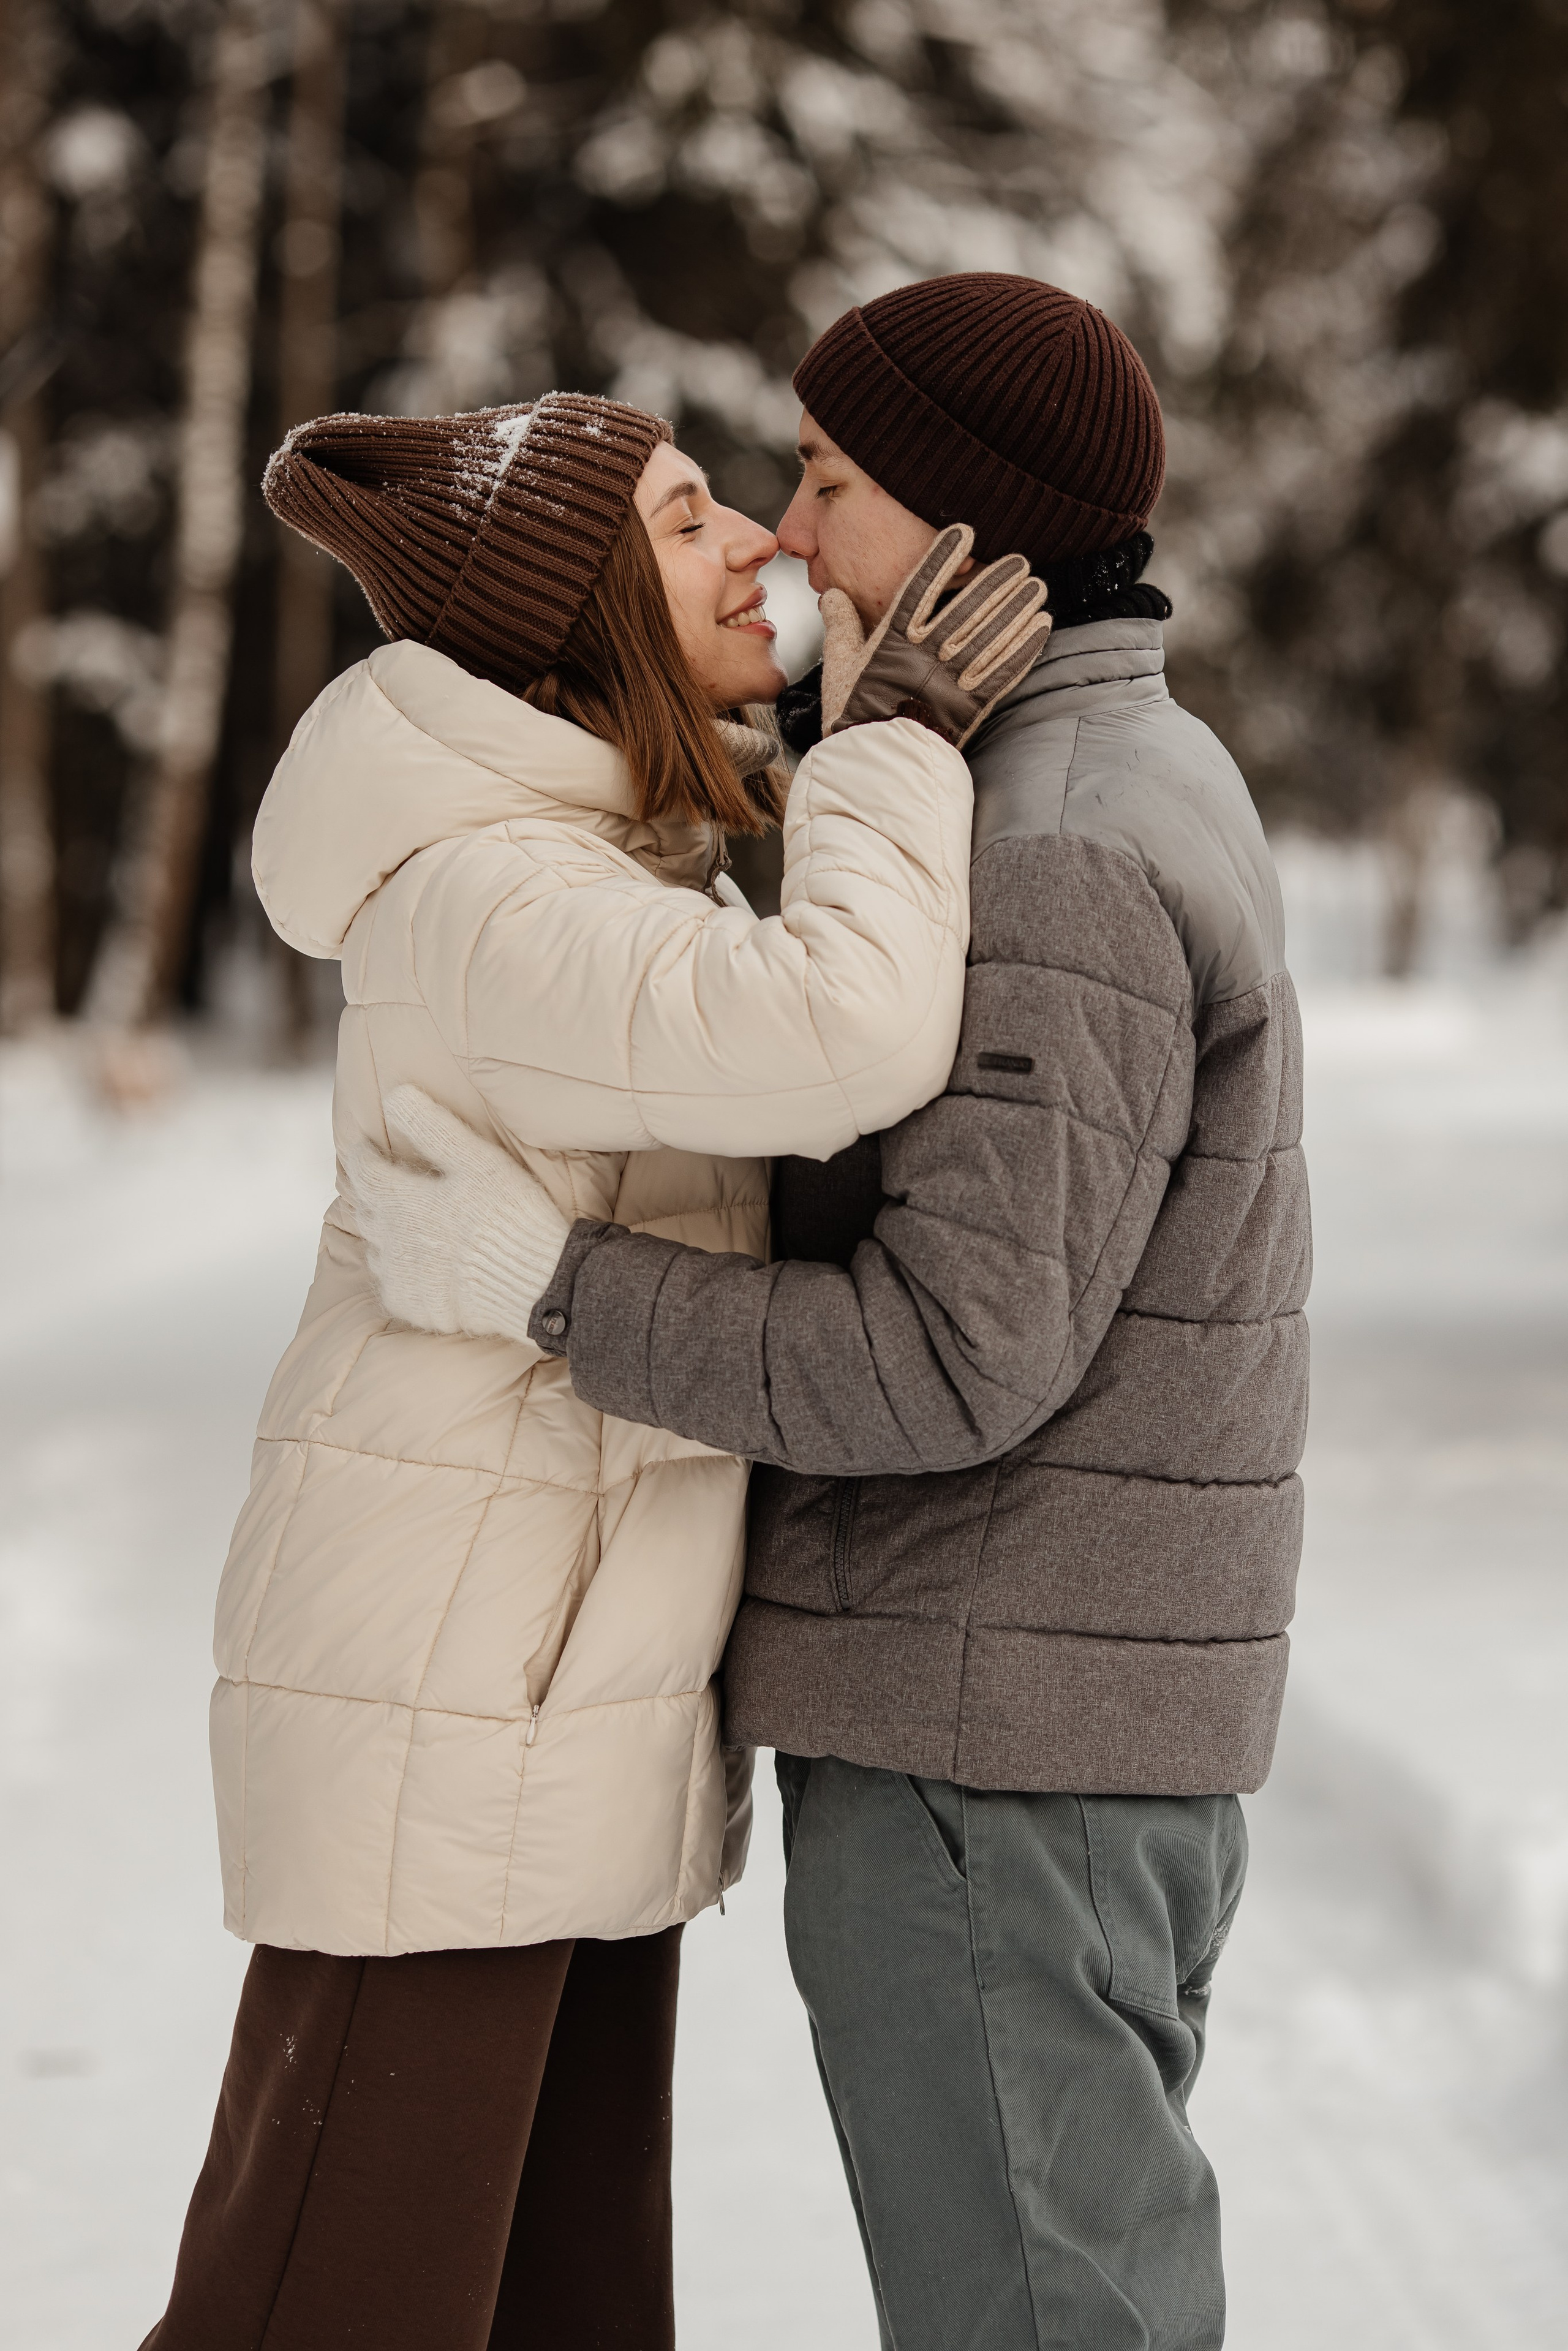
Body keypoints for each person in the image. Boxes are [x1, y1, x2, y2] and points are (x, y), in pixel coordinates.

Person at [351, 275, 1311, 2351]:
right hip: (1048, 1733)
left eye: (829, 481)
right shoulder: (1109, 770)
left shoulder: (1055, 845)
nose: (786, 536)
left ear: (968, 533)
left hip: (994, 1752)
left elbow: (948, 1351)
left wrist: (552, 1288)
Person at [139, 388, 1050, 2351]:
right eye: (687, 520)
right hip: (448, 1707)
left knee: (559, 2306)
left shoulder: (601, 858)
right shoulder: (493, 894)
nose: (761, 550)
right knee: (327, 2310)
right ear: (581, 615)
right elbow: (843, 1033)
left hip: (558, 1693)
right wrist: (889, 747)